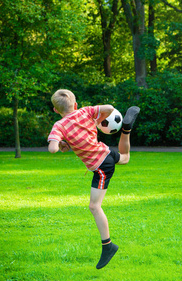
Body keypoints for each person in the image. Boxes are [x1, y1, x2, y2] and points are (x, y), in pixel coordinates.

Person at [47, 89, 140, 269]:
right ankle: (126, 129)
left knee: (94, 206)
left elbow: (52, 149)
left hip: (100, 167)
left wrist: (58, 143)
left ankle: (108, 246)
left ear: (55, 110)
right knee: (125, 158)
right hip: (105, 152)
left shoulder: (59, 126)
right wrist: (95, 120)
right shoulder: (85, 111)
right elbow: (109, 108)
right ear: (75, 104)